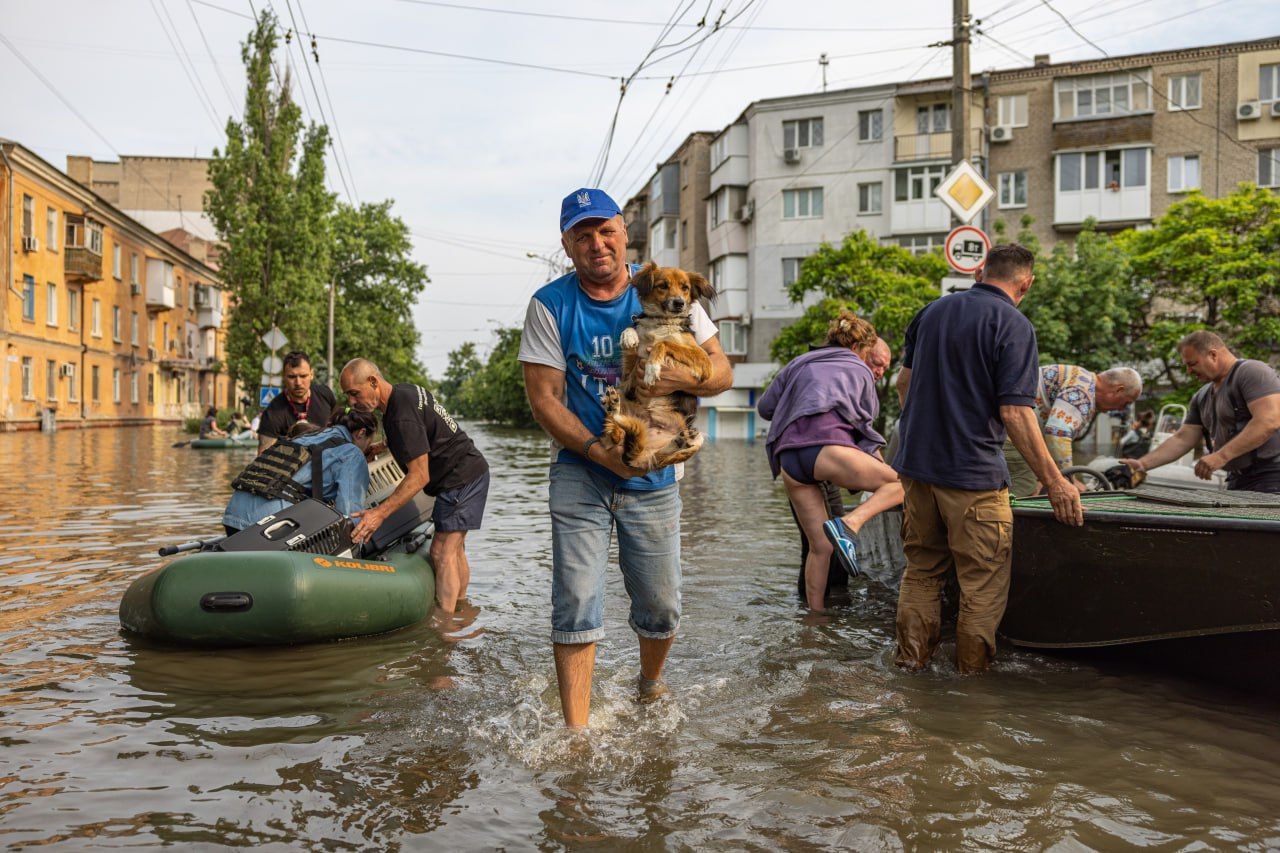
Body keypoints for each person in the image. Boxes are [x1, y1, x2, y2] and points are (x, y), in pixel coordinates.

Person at [518, 187, 733, 728]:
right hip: (581, 469)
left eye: (605, 231)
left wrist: (679, 376)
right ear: (567, 245)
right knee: (575, 599)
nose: (597, 244)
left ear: (623, 232)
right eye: (582, 235)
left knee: (661, 607)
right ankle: (577, 730)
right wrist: (597, 452)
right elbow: (544, 399)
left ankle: (649, 686)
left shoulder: (667, 287)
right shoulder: (551, 305)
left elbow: (722, 373)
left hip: (655, 470)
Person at [892, 244, 1083, 675]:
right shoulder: (1013, 324)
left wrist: (922, 438)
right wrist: (1056, 482)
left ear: (981, 271)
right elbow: (1015, 412)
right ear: (1026, 283)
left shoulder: (931, 312)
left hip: (918, 472)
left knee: (921, 571)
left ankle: (910, 667)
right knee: (981, 584)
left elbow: (903, 385)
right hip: (974, 477)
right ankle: (970, 686)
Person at [758, 312, 904, 610]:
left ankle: (815, 619)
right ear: (860, 349)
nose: (877, 372)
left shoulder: (799, 362)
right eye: (876, 363)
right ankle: (850, 524)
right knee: (902, 483)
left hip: (788, 458)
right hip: (825, 449)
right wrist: (883, 472)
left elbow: (765, 407)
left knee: (820, 547)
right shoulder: (858, 370)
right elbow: (864, 433)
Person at [340, 359, 490, 617]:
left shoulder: (400, 414)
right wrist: (382, 447)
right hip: (469, 471)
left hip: (459, 478)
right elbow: (419, 430)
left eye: (355, 393)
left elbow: (419, 476)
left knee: (441, 551)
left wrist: (379, 514)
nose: (352, 402)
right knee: (455, 549)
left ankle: (445, 628)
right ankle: (463, 612)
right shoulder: (403, 394)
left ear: (374, 382)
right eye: (348, 396)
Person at [1123, 331, 1280, 492]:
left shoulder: (1252, 372)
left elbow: (1268, 420)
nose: (1188, 371)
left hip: (1272, 476)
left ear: (1213, 355)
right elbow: (1183, 439)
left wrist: (1221, 456)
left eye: (1192, 364)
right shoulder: (1202, 395)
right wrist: (1142, 464)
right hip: (1238, 479)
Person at [222, 408, 377, 535]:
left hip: (233, 516)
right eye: (369, 442)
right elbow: (351, 516)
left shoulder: (307, 436)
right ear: (361, 433)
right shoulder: (352, 454)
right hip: (266, 526)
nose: (365, 449)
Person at [1003, 364, 1144, 497]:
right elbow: (1057, 433)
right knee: (1026, 489)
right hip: (1009, 432)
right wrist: (1069, 480)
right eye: (1126, 403)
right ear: (1118, 390)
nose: (1121, 409)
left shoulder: (1082, 379)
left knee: (1037, 486)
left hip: (1006, 430)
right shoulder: (1084, 392)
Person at [258, 351, 337, 453]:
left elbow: (339, 428)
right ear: (283, 377)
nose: (298, 383)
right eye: (292, 377)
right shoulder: (272, 413)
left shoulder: (325, 394)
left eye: (303, 376)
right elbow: (263, 457)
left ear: (311, 374)